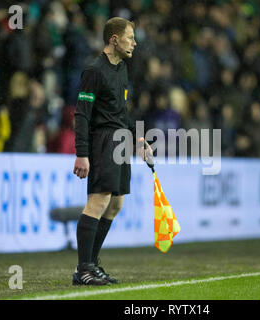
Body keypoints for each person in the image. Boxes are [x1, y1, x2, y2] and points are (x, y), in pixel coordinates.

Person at [72, 17, 151, 286]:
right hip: (102, 141)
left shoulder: (122, 70)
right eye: (130, 38)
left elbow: (122, 112)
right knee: (99, 201)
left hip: (119, 141)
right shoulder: (94, 70)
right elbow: (82, 115)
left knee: (115, 204)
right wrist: (81, 152)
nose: (135, 43)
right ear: (114, 39)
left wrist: (138, 138)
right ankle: (83, 269)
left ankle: (91, 265)